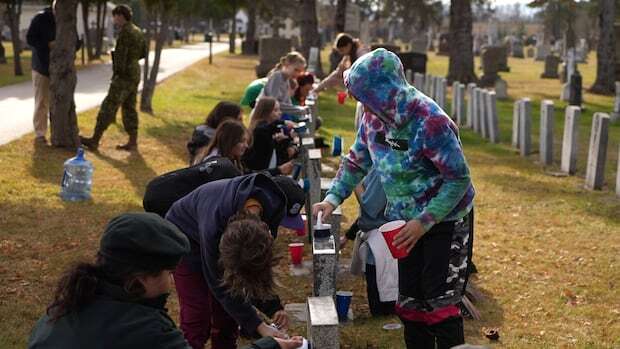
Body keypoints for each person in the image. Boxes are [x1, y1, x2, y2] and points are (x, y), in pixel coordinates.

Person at [313, 49, 475, 349]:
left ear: (384, 91)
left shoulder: (430, 120)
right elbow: (356, 161)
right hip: (403, 222)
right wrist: (332, 198)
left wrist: (423, 222)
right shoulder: (374, 119)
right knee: (410, 303)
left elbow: (459, 179)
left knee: (439, 304)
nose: (359, 103)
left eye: (363, 96)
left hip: (445, 219)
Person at [165, 173, 306, 349]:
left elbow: (254, 267)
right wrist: (259, 326)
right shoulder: (214, 227)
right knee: (198, 314)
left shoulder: (270, 208)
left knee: (226, 315)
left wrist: (273, 306)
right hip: (185, 235)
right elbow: (219, 283)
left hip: (219, 232)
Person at [28, 212, 192, 348]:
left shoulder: (58, 313)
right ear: (141, 278)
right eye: (169, 273)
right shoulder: (153, 333)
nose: (172, 282)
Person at [80, 4, 147, 151]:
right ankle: (133, 140)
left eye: (115, 16)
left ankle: (95, 139)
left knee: (108, 106)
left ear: (120, 16)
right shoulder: (138, 31)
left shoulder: (125, 32)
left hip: (123, 76)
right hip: (135, 73)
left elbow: (121, 57)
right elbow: (144, 53)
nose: (114, 19)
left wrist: (117, 73)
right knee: (129, 107)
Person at [26, 1, 81, 144]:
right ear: (55, 7)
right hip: (42, 67)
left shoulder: (67, 20)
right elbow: (30, 39)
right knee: (42, 102)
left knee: (61, 101)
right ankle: (40, 134)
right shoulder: (41, 18)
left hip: (62, 70)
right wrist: (48, 44)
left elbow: (75, 41)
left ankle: (62, 134)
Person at [243, 97, 296, 175]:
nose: (280, 112)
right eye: (275, 110)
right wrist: (283, 122)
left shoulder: (271, 129)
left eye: (279, 109)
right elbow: (264, 131)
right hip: (259, 174)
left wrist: (288, 139)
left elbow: (277, 154)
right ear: (266, 112)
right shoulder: (260, 129)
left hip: (269, 171)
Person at [257, 52, 307, 116]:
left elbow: (288, 103)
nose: (297, 74)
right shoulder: (277, 77)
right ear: (286, 65)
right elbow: (273, 104)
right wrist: (298, 110)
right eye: (296, 70)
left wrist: (298, 109)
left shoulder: (286, 80)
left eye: (300, 72)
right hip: (263, 117)